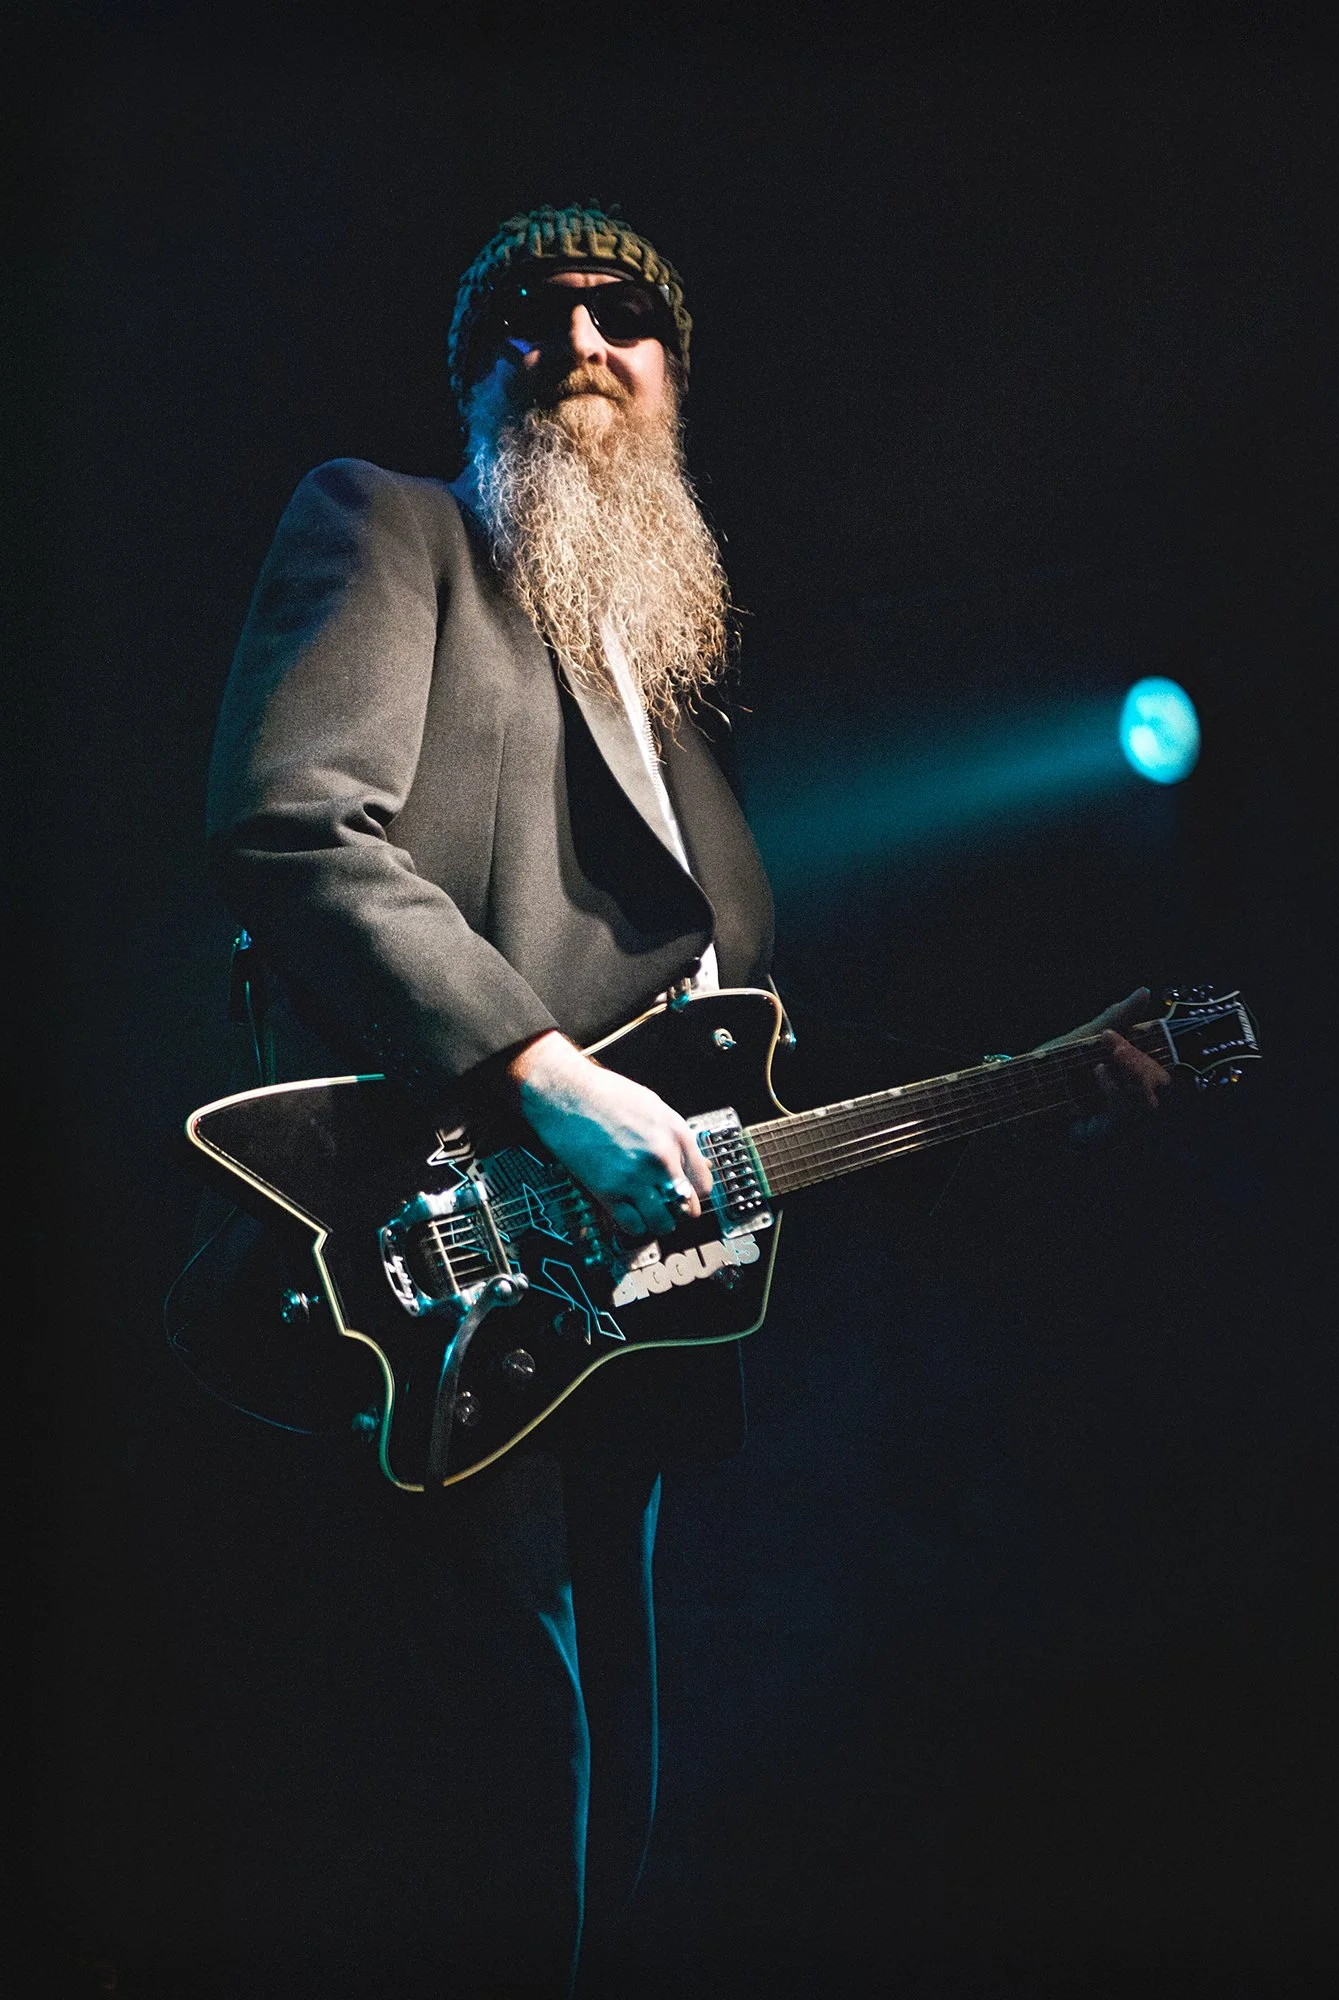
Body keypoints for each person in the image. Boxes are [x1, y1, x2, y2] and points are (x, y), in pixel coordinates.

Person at [143, 202, 1169, 1998]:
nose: (579, 340)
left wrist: (1037, 1089)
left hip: (613, 1336)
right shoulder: (392, 531)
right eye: (529, 319)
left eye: (622, 315)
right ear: (475, 378)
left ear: (676, 377)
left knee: (612, 1784)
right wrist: (540, 1079)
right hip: (422, 1269)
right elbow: (296, 827)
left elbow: (732, 1099)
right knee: (489, 1780)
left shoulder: (675, 718)